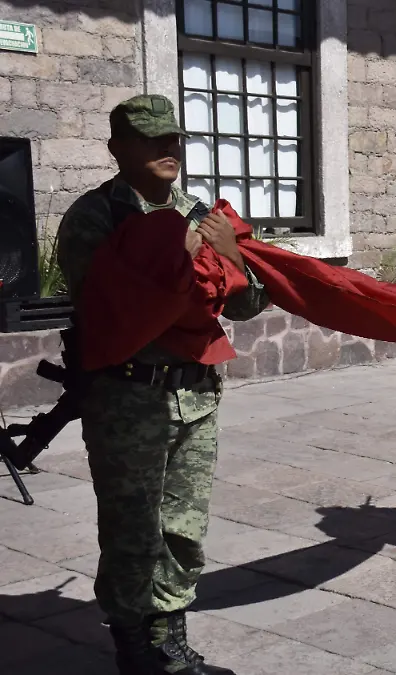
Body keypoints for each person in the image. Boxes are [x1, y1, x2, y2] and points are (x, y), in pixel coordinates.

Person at [56, 94, 270, 675]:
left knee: (183, 528)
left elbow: (246, 304)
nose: (168, 148)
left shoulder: (199, 213)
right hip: (128, 399)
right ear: (117, 148)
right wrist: (179, 260)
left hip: (195, 393)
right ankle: (134, 647)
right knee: (131, 528)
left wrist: (233, 257)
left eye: (173, 138)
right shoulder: (95, 217)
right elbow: (110, 307)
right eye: (151, 139)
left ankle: (169, 639)